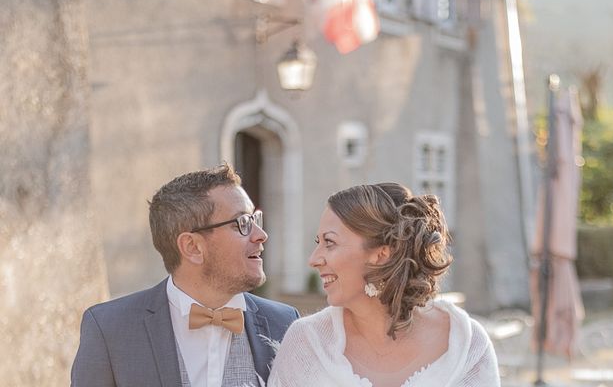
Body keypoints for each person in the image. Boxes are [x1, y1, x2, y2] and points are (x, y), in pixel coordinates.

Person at [71, 163, 299, 387]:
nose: (261, 235)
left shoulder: (286, 324)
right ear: (192, 247)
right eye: (242, 223)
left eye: (254, 219)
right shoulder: (110, 328)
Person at [268, 183, 500, 387]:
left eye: (329, 242)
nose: (314, 259)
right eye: (318, 242)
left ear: (381, 255)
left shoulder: (465, 344)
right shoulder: (306, 344)